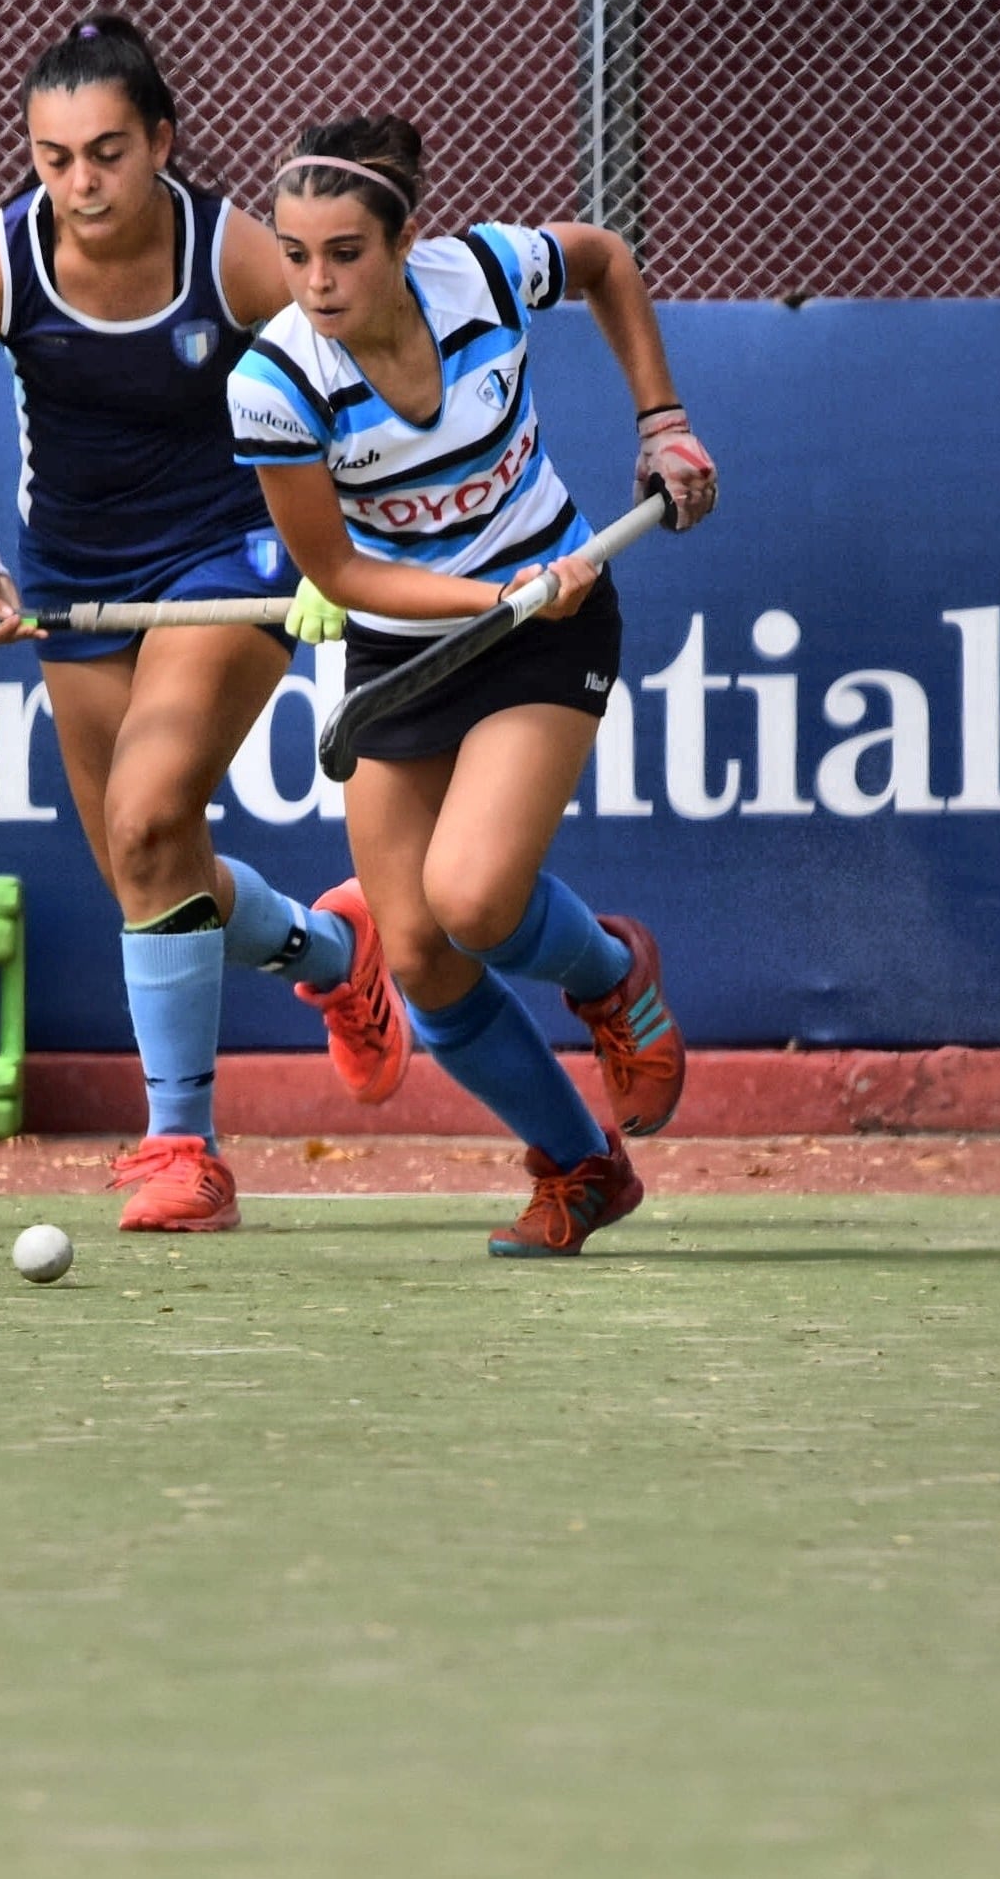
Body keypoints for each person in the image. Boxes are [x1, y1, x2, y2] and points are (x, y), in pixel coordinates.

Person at [0, 21, 411, 1233]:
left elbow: (360, 371)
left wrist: (342, 553)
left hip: (229, 558)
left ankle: (182, 1146)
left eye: (107, 153)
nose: (80, 183)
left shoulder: (232, 255)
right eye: (54, 158)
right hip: (74, 577)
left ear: (162, 142)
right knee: (148, 868)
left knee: (146, 812)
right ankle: (336, 961)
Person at [227, 116, 718, 1257]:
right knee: (420, 953)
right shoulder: (275, 380)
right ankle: (584, 1169)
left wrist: (663, 422)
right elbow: (337, 569)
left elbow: (601, 256)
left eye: (344, 251)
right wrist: (492, 593)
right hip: (410, 644)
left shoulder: (486, 272)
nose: (316, 281)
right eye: (295, 255)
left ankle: (611, 973)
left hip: (551, 627)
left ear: (405, 242)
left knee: (478, 900)